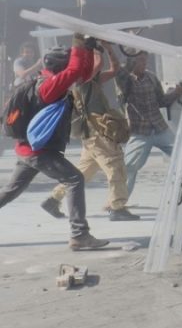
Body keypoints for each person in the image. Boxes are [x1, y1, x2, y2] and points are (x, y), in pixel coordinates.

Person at [0, 35, 109, 250]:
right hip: (37, 151)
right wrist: (78, 44)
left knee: (10, 191)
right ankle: (79, 235)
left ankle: (80, 234)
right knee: (75, 179)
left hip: (27, 150)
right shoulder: (48, 86)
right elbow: (75, 72)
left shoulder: (47, 80)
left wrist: (87, 49)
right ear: (61, 66)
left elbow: (83, 75)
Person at [42, 41, 140, 221]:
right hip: (98, 133)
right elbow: (99, 64)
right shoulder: (80, 80)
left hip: (93, 134)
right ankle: (117, 207)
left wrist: (108, 48)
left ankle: (53, 199)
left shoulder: (90, 79)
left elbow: (115, 68)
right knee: (115, 166)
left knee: (83, 172)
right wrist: (96, 46)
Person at [114, 49, 182, 197]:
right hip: (139, 132)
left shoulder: (151, 77)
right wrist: (129, 52)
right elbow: (119, 75)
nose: (144, 64)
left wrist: (176, 93)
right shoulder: (125, 80)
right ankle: (118, 202)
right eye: (140, 60)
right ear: (132, 62)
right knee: (129, 167)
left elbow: (161, 100)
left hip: (160, 128)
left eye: (145, 60)